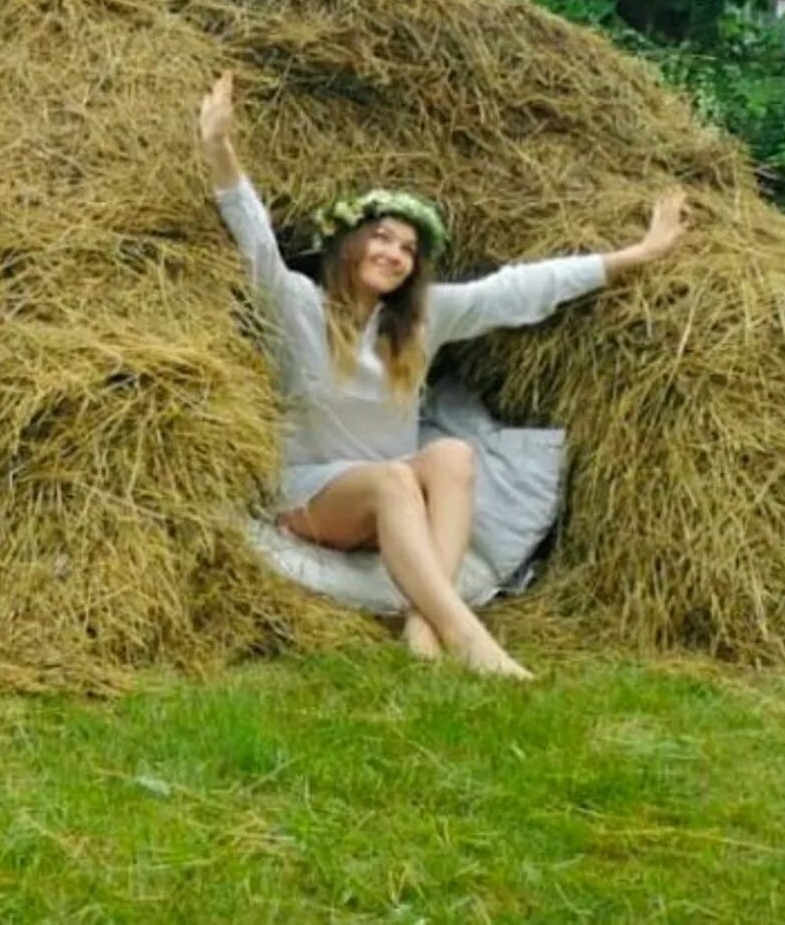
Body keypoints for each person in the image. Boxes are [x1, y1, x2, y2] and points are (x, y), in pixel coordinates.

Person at [197, 72, 687, 679]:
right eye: (381, 238)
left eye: (407, 250)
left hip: (387, 500)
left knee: (451, 454)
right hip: (312, 496)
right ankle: (465, 634)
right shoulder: (298, 304)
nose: (394, 254)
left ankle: (423, 624)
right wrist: (220, 147)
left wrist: (635, 256)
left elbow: (517, 290)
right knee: (393, 482)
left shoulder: (421, 321)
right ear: (349, 245)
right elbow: (256, 242)